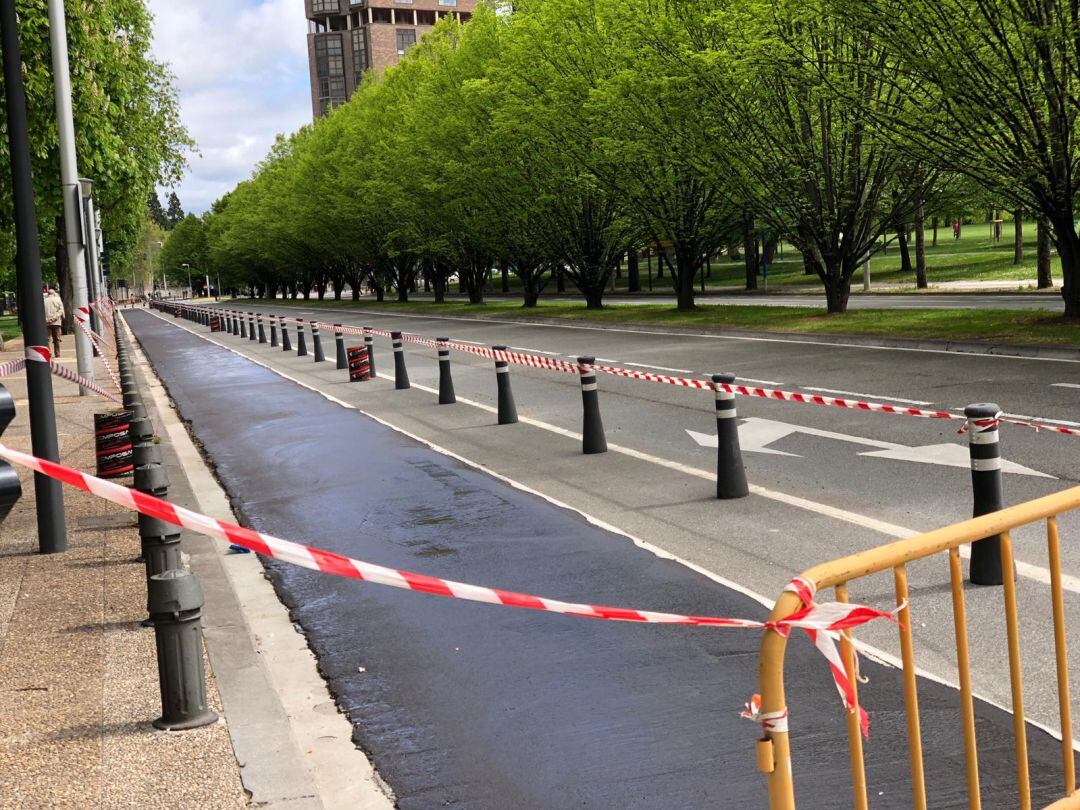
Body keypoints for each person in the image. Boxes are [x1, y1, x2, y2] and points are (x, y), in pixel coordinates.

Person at [44, 287, 64, 357]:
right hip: (56, 322)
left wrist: (47, 319)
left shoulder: (44, 301)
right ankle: (57, 353)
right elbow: (61, 311)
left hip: (46, 322)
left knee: (47, 339)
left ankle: (49, 353)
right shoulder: (58, 300)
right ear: (54, 294)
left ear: (48, 294)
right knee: (57, 339)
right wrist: (54, 318)